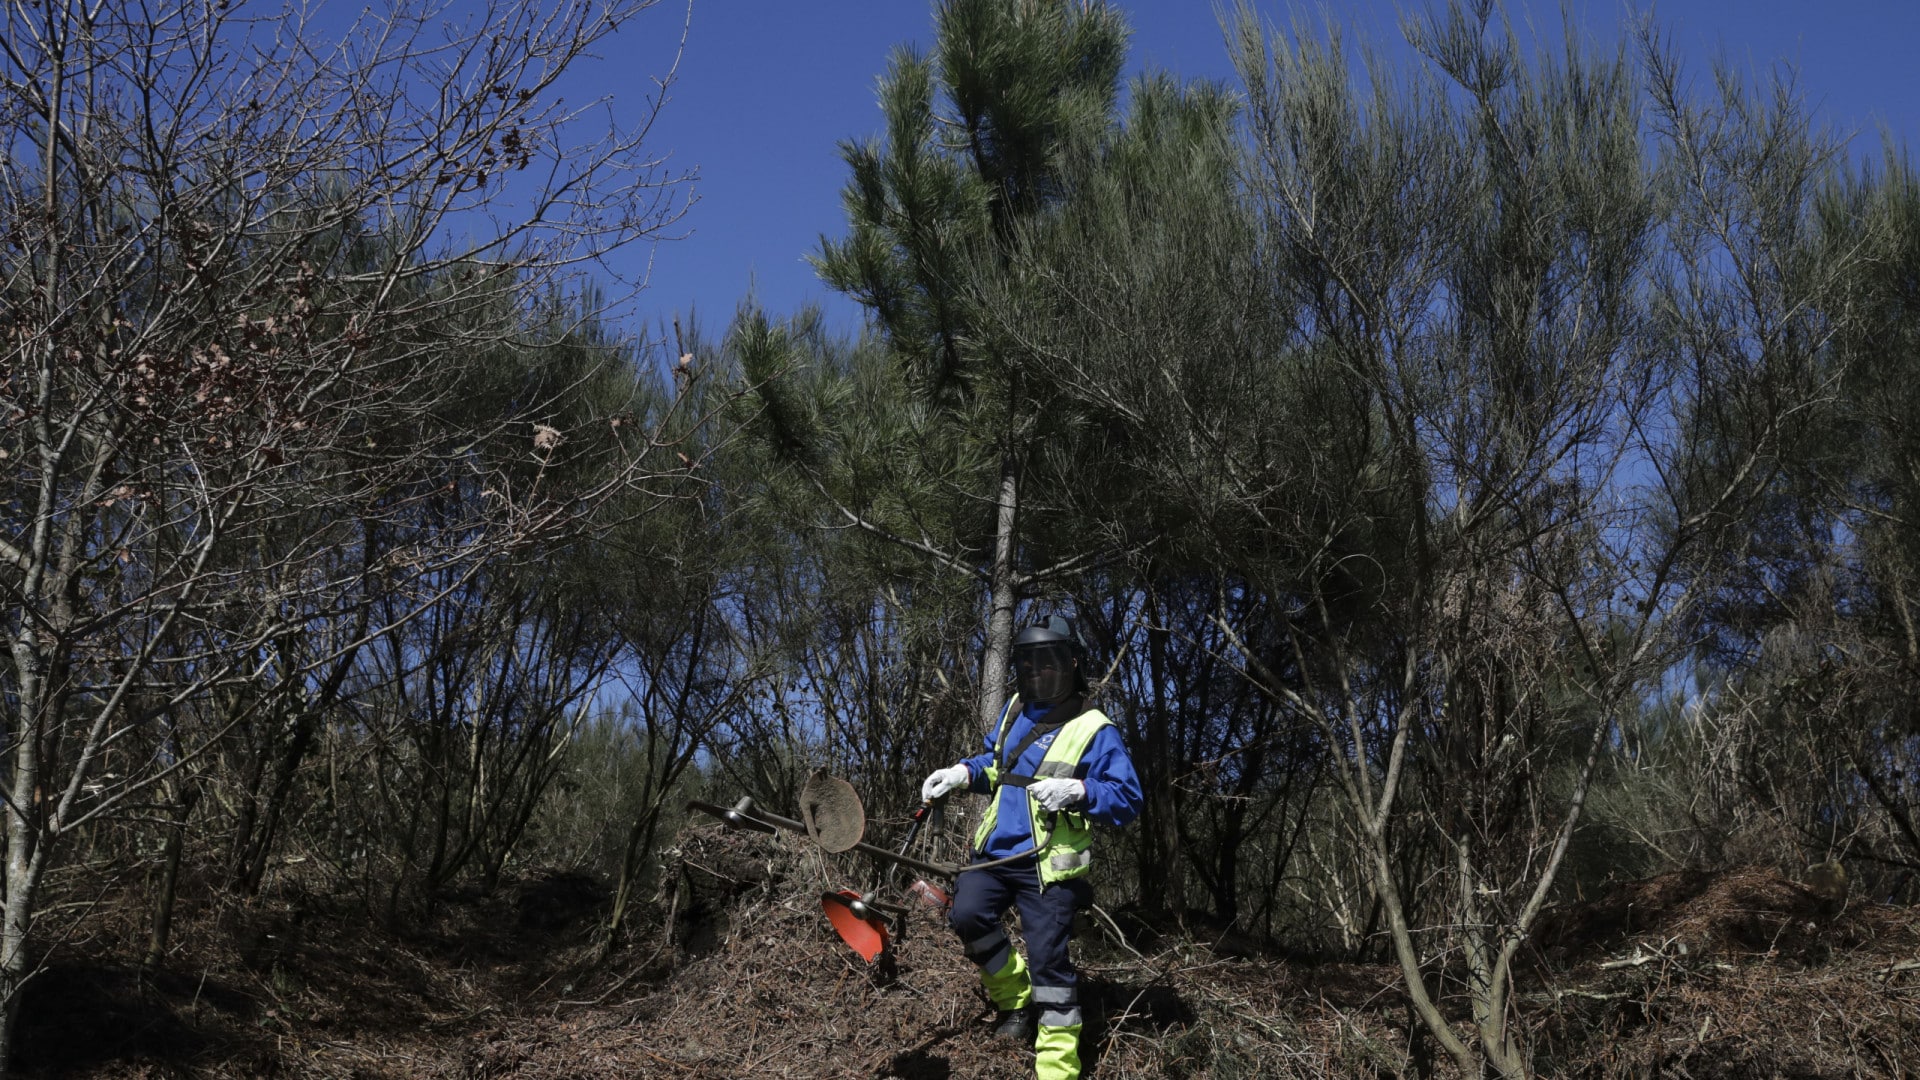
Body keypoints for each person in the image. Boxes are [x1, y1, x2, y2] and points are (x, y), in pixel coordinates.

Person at [919, 614, 1143, 1080]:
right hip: (997, 851)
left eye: (1048, 663)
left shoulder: (1095, 728)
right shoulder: (1016, 710)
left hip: (1048, 866)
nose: (1038, 673)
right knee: (968, 914)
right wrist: (961, 774)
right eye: (1030, 664)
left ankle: (1057, 1069)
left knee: (1050, 964)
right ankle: (1014, 1000)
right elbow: (996, 764)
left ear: (1071, 663)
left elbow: (1127, 797)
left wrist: (1081, 792)